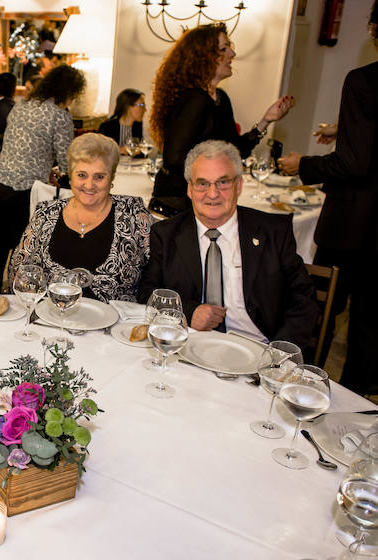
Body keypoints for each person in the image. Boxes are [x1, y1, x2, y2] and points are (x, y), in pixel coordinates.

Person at [276, 2, 378, 395]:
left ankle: (306, 391)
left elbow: (355, 165)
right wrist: (346, 129)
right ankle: (361, 403)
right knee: (371, 325)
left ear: (372, 27)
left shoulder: (363, 81)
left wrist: (305, 164)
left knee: (323, 309)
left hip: (355, 225)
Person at [138, 140, 318, 347]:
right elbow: (147, 294)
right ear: (189, 189)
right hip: (190, 347)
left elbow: (304, 300)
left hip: (258, 348)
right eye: (202, 183)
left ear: (238, 185)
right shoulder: (166, 234)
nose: (212, 194)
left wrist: (279, 352)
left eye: (223, 182)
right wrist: (188, 312)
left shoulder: (272, 231)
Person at [148, 23, 295, 217]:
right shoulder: (195, 100)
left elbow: (235, 150)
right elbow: (175, 159)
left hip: (201, 201)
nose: (232, 53)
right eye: (224, 49)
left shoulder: (220, 98)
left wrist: (265, 121)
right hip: (177, 204)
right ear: (203, 57)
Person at [9, 133, 151, 302]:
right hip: (52, 320)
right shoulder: (45, 214)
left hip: (114, 324)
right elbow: (17, 273)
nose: (89, 185)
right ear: (71, 177)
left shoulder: (134, 216)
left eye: (99, 176)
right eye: (82, 175)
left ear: (111, 178)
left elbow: (156, 278)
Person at [0, 65, 85, 279]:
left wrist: (45, 168)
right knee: (25, 246)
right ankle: (17, 292)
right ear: (69, 92)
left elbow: (23, 147)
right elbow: (67, 161)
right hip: (25, 191)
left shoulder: (21, 106)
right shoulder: (60, 116)